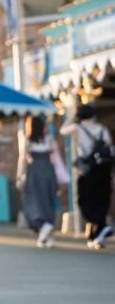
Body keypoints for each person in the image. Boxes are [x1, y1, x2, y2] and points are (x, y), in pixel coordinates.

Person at [60, 103, 113, 249]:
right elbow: (108, 144)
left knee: (85, 200)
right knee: (101, 199)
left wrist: (71, 117)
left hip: (87, 170)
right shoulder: (102, 129)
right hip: (103, 169)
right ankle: (98, 233)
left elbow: (62, 131)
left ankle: (100, 229)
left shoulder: (78, 128)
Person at [16, 116, 59, 248]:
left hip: (34, 173)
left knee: (33, 201)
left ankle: (45, 230)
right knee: (48, 201)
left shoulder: (28, 141)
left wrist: (19, 176)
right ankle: (47, 236)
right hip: (48, 172)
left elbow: (22, 159)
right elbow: (57, 157)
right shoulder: (49, 140)